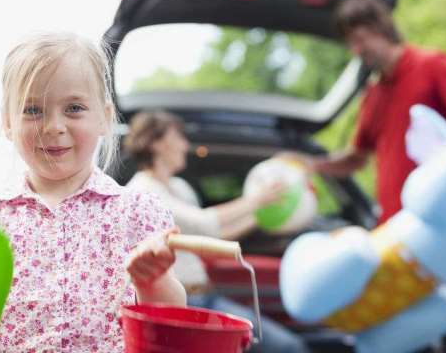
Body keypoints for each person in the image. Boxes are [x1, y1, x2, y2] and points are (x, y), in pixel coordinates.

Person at [0, 33, 185, 353]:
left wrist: (152, 282)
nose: (53, 126)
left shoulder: (139, 211)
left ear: (105, 117)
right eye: (33, 110)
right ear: (7, 123)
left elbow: (171, 324)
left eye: (73, 108)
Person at [124, 110, 310, 353]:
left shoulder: (179, 187)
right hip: (182, 304)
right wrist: (256, 200)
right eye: (178, 136)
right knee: (288, 348)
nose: (185, 144)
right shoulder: (143, 190)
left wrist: (263, 216)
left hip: (206, 296)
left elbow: (212, 235)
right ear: (156, 142)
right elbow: (204, 222)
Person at [283, 0, 446, 225]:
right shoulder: (373, 94)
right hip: (393, 225)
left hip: (440, 219)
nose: (356, 50)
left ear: (381, 28)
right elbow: (355, 159)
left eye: (359, 39)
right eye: (350, 43)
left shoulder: (431, 65)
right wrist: (309, 164)